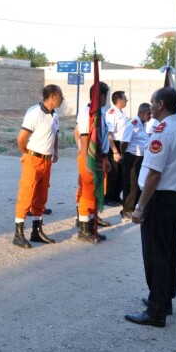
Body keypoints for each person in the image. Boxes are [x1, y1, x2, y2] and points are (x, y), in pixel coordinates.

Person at [125, 87, 176, 328]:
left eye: (153, 103)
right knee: (168, 250)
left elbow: (154, 173)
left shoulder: (163, 132)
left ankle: (156, 311)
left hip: (160, 199)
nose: (150, 106)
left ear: (161, 104)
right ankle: (164, 300)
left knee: (156, 254)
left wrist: (140, 207)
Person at [11, 84, 63, 248]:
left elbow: (55, 135)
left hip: (46, 160)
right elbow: (21, 138)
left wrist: (54, 152)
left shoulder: (55, 115)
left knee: (41, 196)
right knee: (26, 194)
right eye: (61, 96)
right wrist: (26, 152)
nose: (63, 99)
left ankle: (36, 230)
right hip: (33, 159)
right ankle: (18, 234)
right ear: (53, 97)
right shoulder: (35, 113)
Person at [76, 81, 111, 243]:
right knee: (88, 193)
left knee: (95, 193)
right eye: (106, 96)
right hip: (89, 157)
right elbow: (84, 139)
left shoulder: (100, 112)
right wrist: (87, 161)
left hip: (100, 157)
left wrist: (106, 159)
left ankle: (91, 225)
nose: (107, 99)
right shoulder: (87, 113)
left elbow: (102, 138)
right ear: (102, 96)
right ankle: (84, 228)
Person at [119, 103, 152, 222]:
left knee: (138, 183)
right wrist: (123, 154)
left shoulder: (142, 124)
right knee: (131, 184)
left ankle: (135, 208)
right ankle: (127, 210)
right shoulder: (133, 124)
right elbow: (124, 142)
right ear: (142, 113)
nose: (150, 116)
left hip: (140, 158)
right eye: (149, 113)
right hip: (132, 157)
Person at [104, 91, 127, 206]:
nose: (126, 100)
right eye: (125, 98)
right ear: (119, 100)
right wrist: (115, 152)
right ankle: (108, 198)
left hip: (122, 144)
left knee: (121, 174)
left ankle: (116, 196)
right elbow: (109, 134)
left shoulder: (121, 113)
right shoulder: (112, 113)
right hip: (114, 145)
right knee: (113, 173)